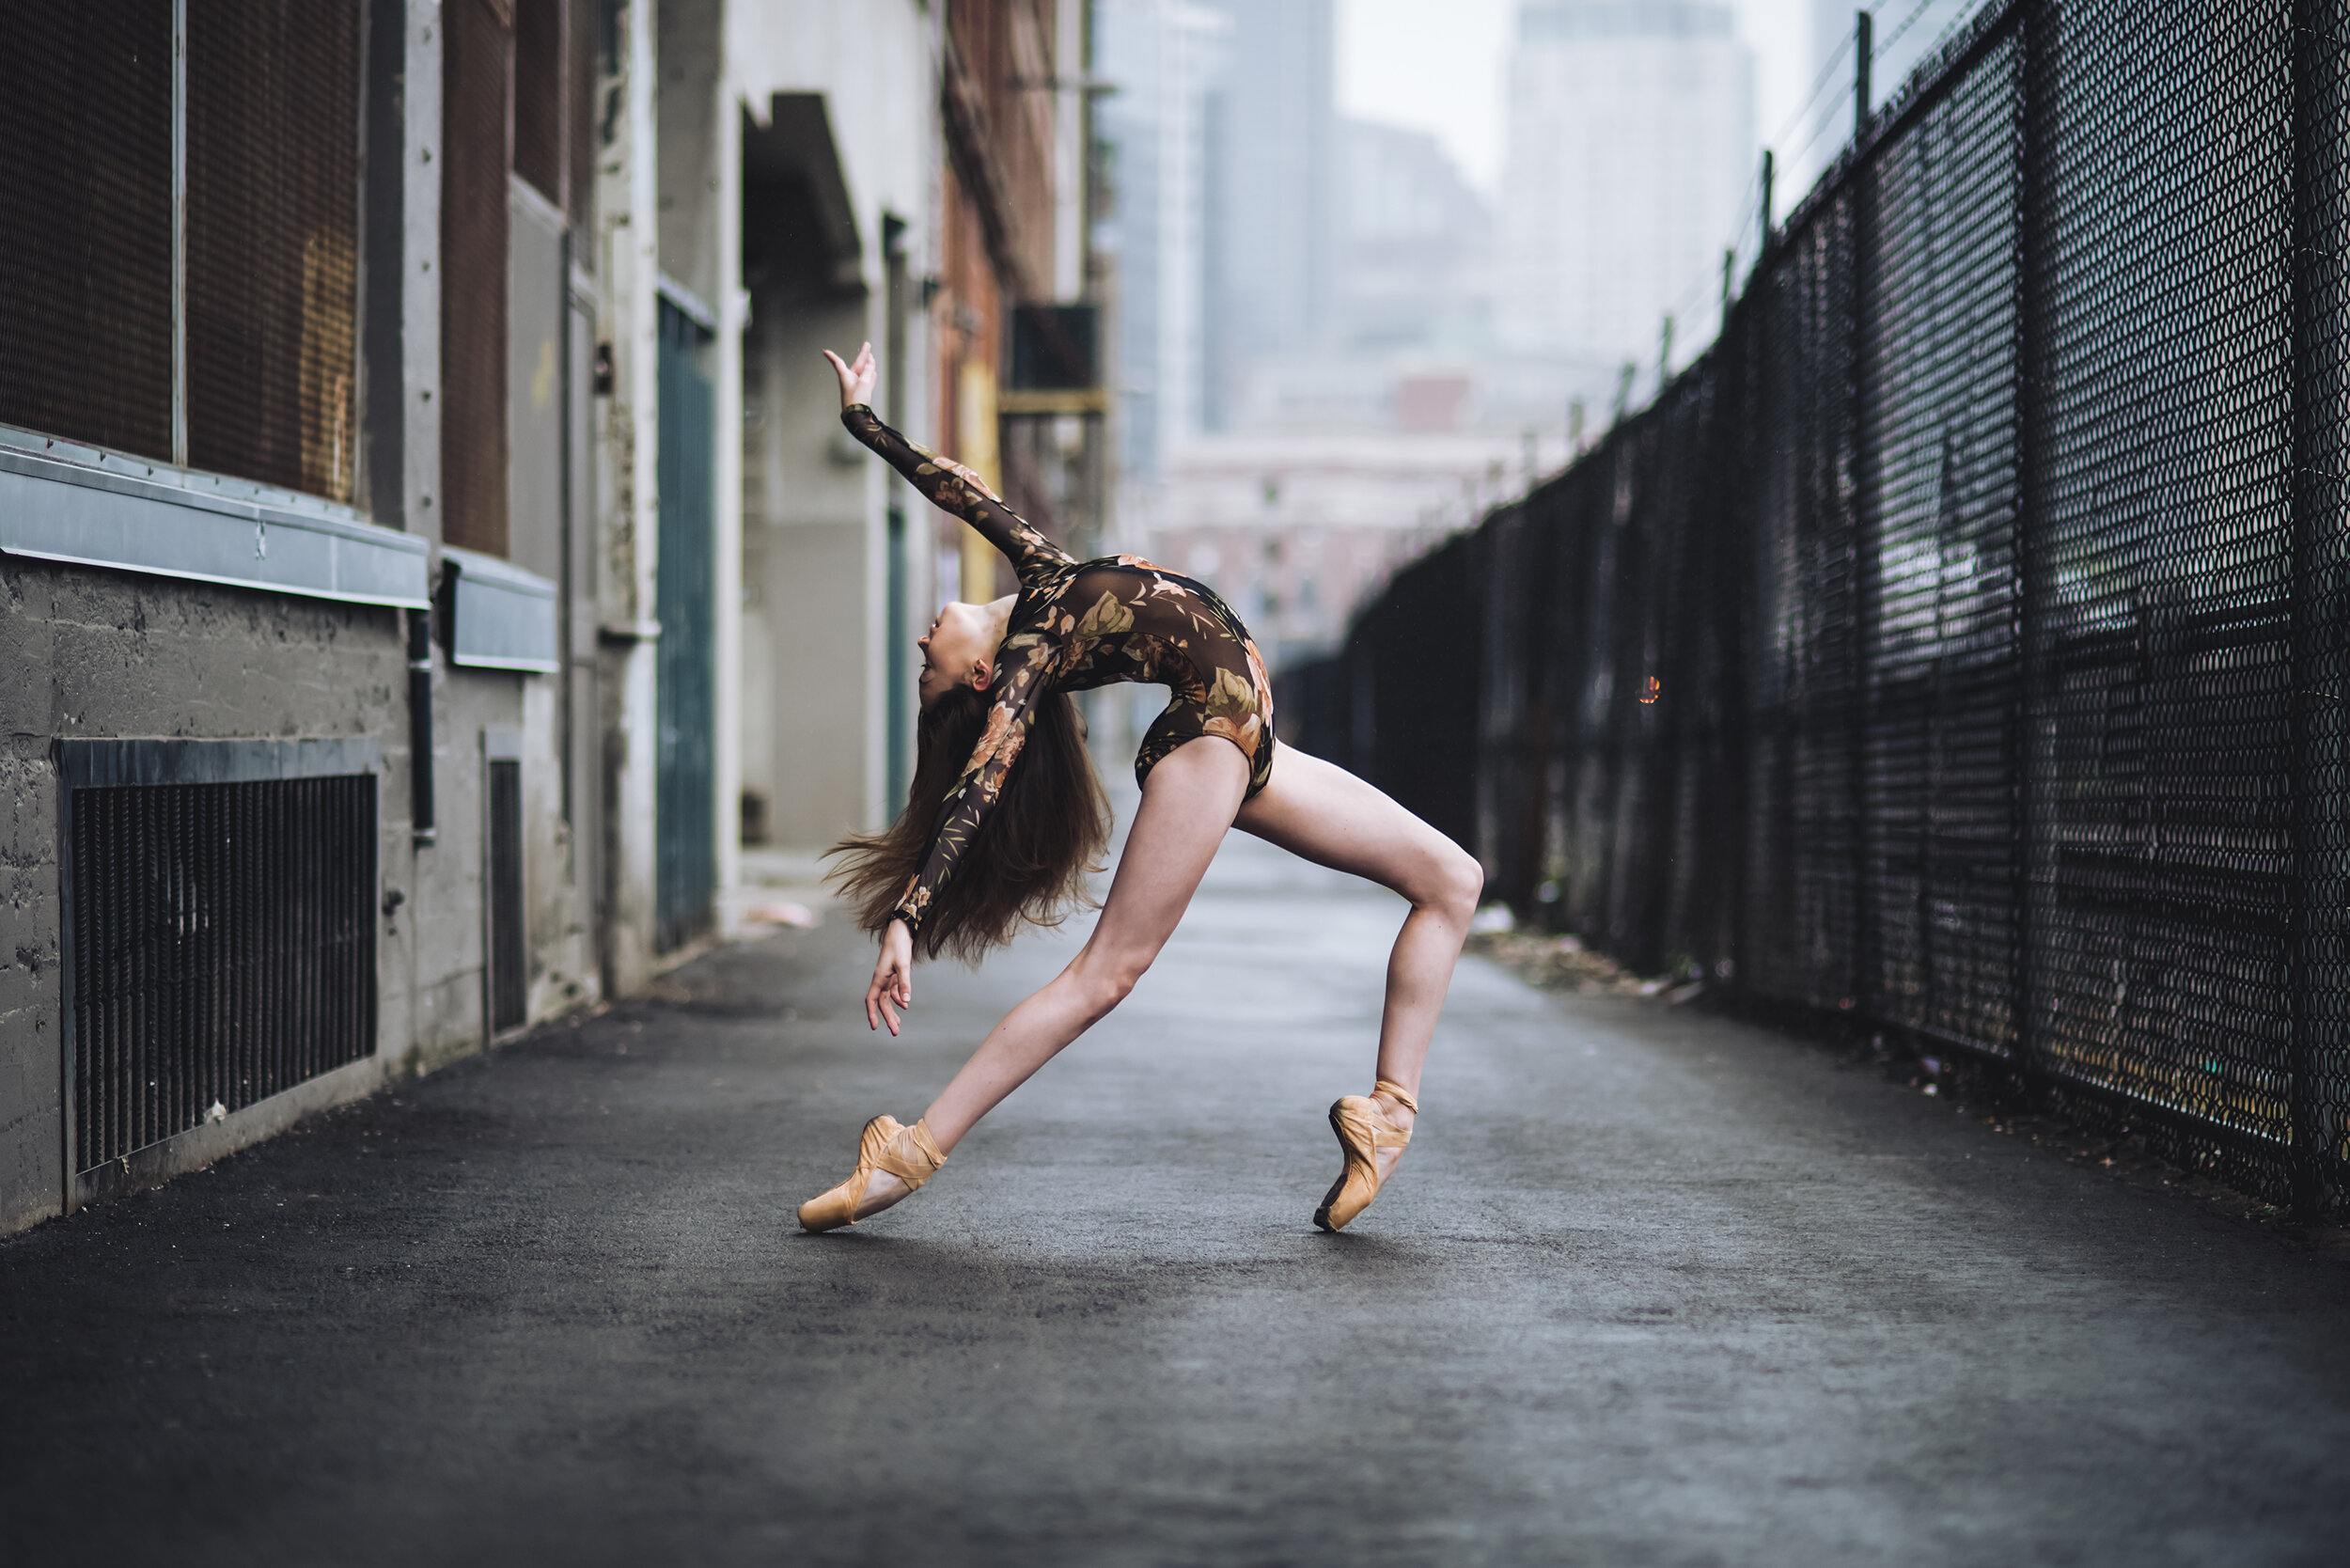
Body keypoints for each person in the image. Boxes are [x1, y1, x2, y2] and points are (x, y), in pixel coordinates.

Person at [798, 343, 1482, 1234]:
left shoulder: (1042, 578)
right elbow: (980, 783)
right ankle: (910, 1154)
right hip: (1211, 734)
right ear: (975, 683)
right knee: (1106, 974)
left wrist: (862, 422)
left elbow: (958, 487)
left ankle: (1388, 1118)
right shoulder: (1026, 657)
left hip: (1245, 733)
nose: (923, 646)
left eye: (920, 662)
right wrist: (909, 914)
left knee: (1451, 882)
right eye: (927, 673)